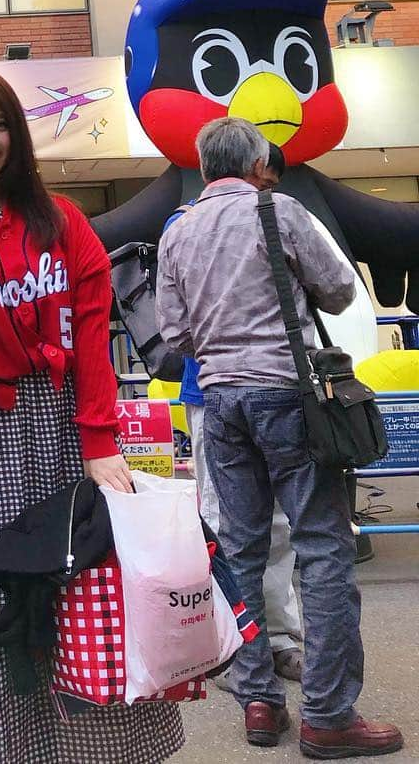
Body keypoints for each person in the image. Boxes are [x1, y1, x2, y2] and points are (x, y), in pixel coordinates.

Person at [0, 65, 184, 764]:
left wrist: (101, 441)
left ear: (17, 131)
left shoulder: (62, 221)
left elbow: (90, 340)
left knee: (82, 593)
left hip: (60, 428)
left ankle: (93, 751)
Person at [157, 116, 404, 759]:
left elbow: (174, 335)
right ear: (258, 164)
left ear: (208, 167)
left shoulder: (177, 230)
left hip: (221, 401)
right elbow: (338, 287)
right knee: (322, 547)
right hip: (288, 396)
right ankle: (327, 713)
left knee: (240, 548)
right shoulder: (280, 212)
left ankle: (259, 700)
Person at [177, 144, 304, 686]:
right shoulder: (196, 222)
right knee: (235, 526)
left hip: (225, 394)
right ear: (255, 170)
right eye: (266, 181)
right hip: (231, 393)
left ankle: (270, 641)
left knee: (259, 526)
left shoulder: (187, 223)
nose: (265, 192)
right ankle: (235, 645)